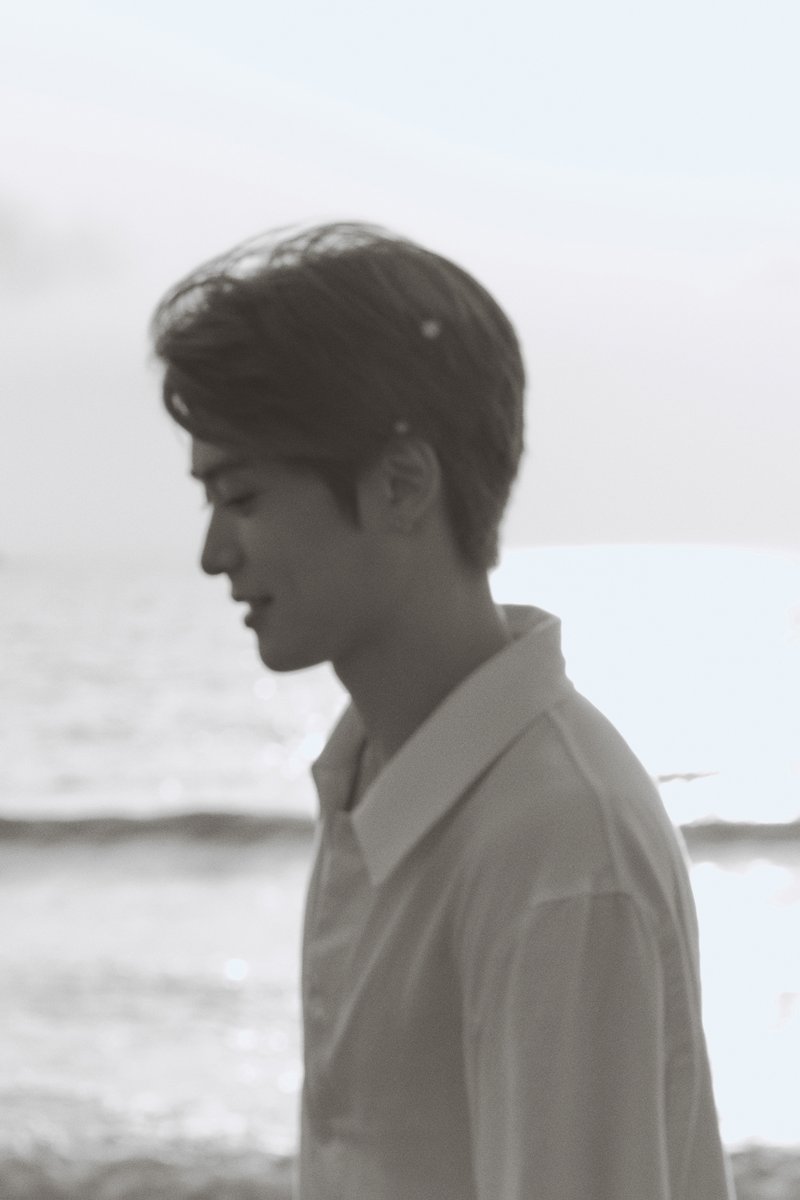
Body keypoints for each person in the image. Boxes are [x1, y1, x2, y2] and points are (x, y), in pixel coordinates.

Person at [150, 221, 734, 1199]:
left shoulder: (556, 847)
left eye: (241, 496)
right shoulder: (384, 777)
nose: (213, 554)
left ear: (401, 485)